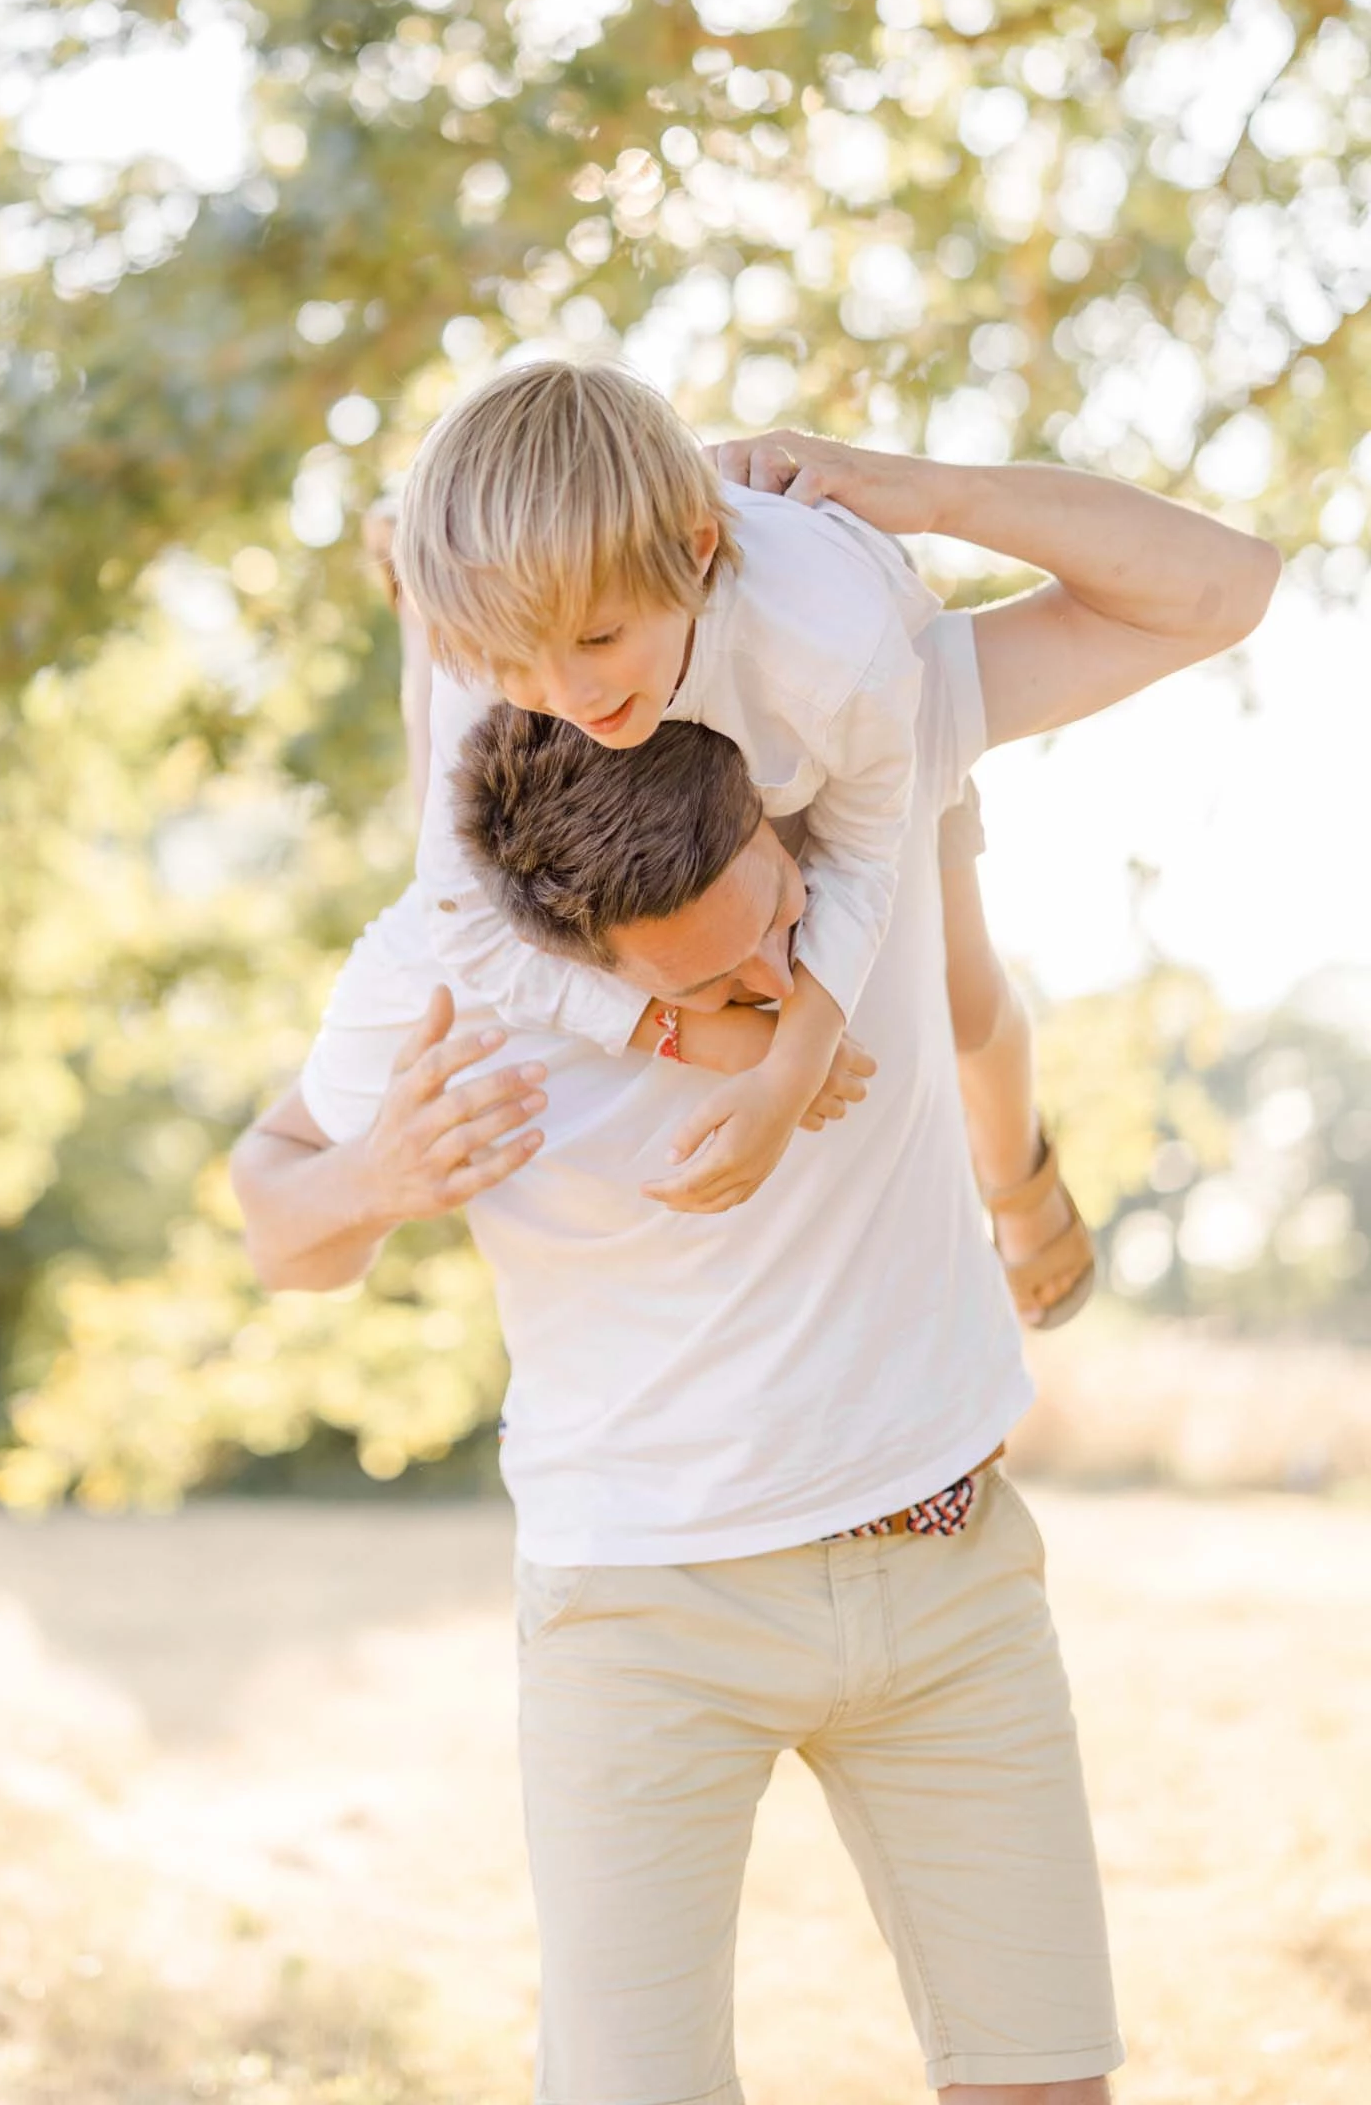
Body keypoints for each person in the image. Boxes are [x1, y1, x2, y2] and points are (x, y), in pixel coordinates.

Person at [234, 432, 1278, 2104]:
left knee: (1044, 2081)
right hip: (644, 1602)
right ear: (582, 950)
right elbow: (276, 1225)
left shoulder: (857, 747)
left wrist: (925, 493)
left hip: (941, 1566)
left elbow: (1219, 586)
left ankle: (1023, 1189)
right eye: (718, 976)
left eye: (785, 917)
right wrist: (371, 1179)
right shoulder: (453, 970)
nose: (787, 984)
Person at [368, 390, 1090, 1326]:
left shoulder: (838, 648)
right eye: (518, 666)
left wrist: (790, 1076)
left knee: (963, 997)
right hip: (682, 789)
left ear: (697, 550)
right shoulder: (508, 652)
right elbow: (460, 917)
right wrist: (704, 1036)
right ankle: (409, 601)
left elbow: (862, 854)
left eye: (597, 639)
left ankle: (1017, 1173)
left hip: (854, 745)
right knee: (462, 822)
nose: (566, 694)